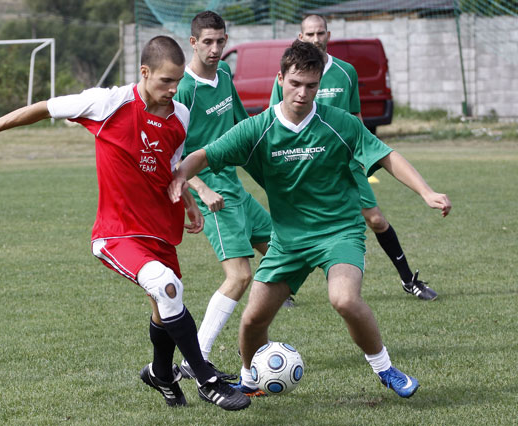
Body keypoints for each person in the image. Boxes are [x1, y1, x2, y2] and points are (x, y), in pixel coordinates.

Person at [0, 36, 250, 411]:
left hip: (159, 231)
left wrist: (189, 202)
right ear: (144, 73)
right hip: (117, 233)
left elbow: (171, 166)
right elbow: (45, 108)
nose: (173, 89)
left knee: (163, 304)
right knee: (167, 288)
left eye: (178, 81)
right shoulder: (108, 103)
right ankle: (205, 377)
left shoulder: (180, 116)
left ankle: (160, 374)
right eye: (165, 80)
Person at [169, 40, 451, 398]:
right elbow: (204, 155)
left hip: (339, 232)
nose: (302, 93)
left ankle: (386, 369)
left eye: (311, 85)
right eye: (295, 83)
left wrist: (426, 192)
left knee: (344, 299)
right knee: (253, 320)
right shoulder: (257, 130)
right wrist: (181, 176)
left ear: (319, 84)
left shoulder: (339, 124)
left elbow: (386, 156)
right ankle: (250, 378)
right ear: (280, 78)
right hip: (288, 240)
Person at [270, 14, 437, 301]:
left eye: (320, 33)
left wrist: (363, 156)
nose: (315, 39)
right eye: (309, 34)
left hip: (344, 163)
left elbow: (357, 119)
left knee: (375, 219)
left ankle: (409, 280)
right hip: (303, 163)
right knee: (292, 222)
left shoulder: (346, 72)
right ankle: (279, 287)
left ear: (328, 35)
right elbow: (276, 119)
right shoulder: (289, 77)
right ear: (300, 38)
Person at [173, 11, 273, 382]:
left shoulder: (225, 74)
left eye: (221, 41)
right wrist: (200, 188)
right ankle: (196, 359)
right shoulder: (183, 89)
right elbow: (173, 154)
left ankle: (254, 339)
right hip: (213, 191)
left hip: (235, 185)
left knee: (287, 249)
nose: (215, 49)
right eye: (208, 42)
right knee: (239, 275)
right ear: (193, 43)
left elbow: (239, 124)